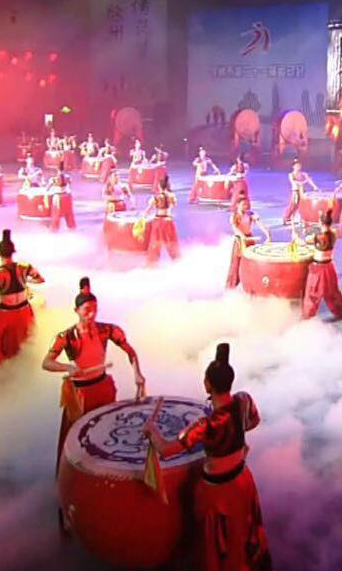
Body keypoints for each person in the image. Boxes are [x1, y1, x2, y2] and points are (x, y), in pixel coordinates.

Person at [143, 343, 273, 571]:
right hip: (242, 481)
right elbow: (253, 421)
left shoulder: (205, 425)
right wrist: (236, 440)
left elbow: (166, 450)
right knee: (242, 533)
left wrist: (152, 431)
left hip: (218, 493)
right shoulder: (243, 401)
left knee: (220, 543)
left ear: (207, 384)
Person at [43, 277, 145, 473]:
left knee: (106, 434)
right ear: (76, 310)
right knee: (78, 440)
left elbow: (130, 351)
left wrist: (137, 374)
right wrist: (67, 367)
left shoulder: (107, 330)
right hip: (79, 395)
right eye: (87, 310)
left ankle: (107, 473)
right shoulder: (66, 337)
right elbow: (46, 363)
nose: (91, 314)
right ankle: (74, 478)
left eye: (95, 309)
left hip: (102, 387)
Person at [0, 229, 44, 363]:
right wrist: (25, 282)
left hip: (7, 314)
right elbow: (40, 279)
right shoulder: (25, 267)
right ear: (13, 252)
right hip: (25, 311)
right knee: (28, 340)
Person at [302, 210, 342, 321]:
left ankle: (307, 317)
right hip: (329, 268)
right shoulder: (333, 234)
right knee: (332, 292)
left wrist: (298, 235)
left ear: (320, 223)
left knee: (313, 293)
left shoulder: (319, 237)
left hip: (318, 270)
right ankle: (341, 312)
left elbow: (305, 241)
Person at [226, 192, 270, 289]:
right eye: (243, 204)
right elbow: (235, 229)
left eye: (246, 204)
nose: (245, 206)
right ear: (238, 205)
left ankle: (251, 286)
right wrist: (242, 236)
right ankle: (231, 287)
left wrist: (268, 234)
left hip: (250, 240)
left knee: (251, 263)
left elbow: (260, 223)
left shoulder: (250, 214)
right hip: (240, 242)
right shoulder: (234, 216)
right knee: (236, 265)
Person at [145, 174, 180, 264]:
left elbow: (148, 209)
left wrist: (143, 217)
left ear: (159, 186)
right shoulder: (171, 196)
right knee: (171, 241)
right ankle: (176, 260)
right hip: (168, 220)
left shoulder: (155, 197)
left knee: (155, 242)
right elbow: (174, 204)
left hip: (158, 221)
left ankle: (152, 262)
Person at [282, 158, 318, 225]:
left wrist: (314, 186)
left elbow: (309, 180)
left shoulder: (304, 174)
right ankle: (286, 218)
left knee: (303, 205)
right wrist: (305, 181)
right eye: (297, 165)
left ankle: (302, 218)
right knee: (293, 205)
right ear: (293, 166)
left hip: (302, 191)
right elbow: (295, 182)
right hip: (295, 192)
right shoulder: (291, 174)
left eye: (299, 165)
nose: (298, 166)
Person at [45, 163, 76, 231]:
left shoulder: (53, 179)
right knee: (69, 213)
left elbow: (47, 189)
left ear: (57, 170)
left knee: (56, 214)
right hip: (66, 196)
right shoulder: (68, 177)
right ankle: (71, 227)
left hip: (58, 197)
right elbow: (70, 184)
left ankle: (54, 229)